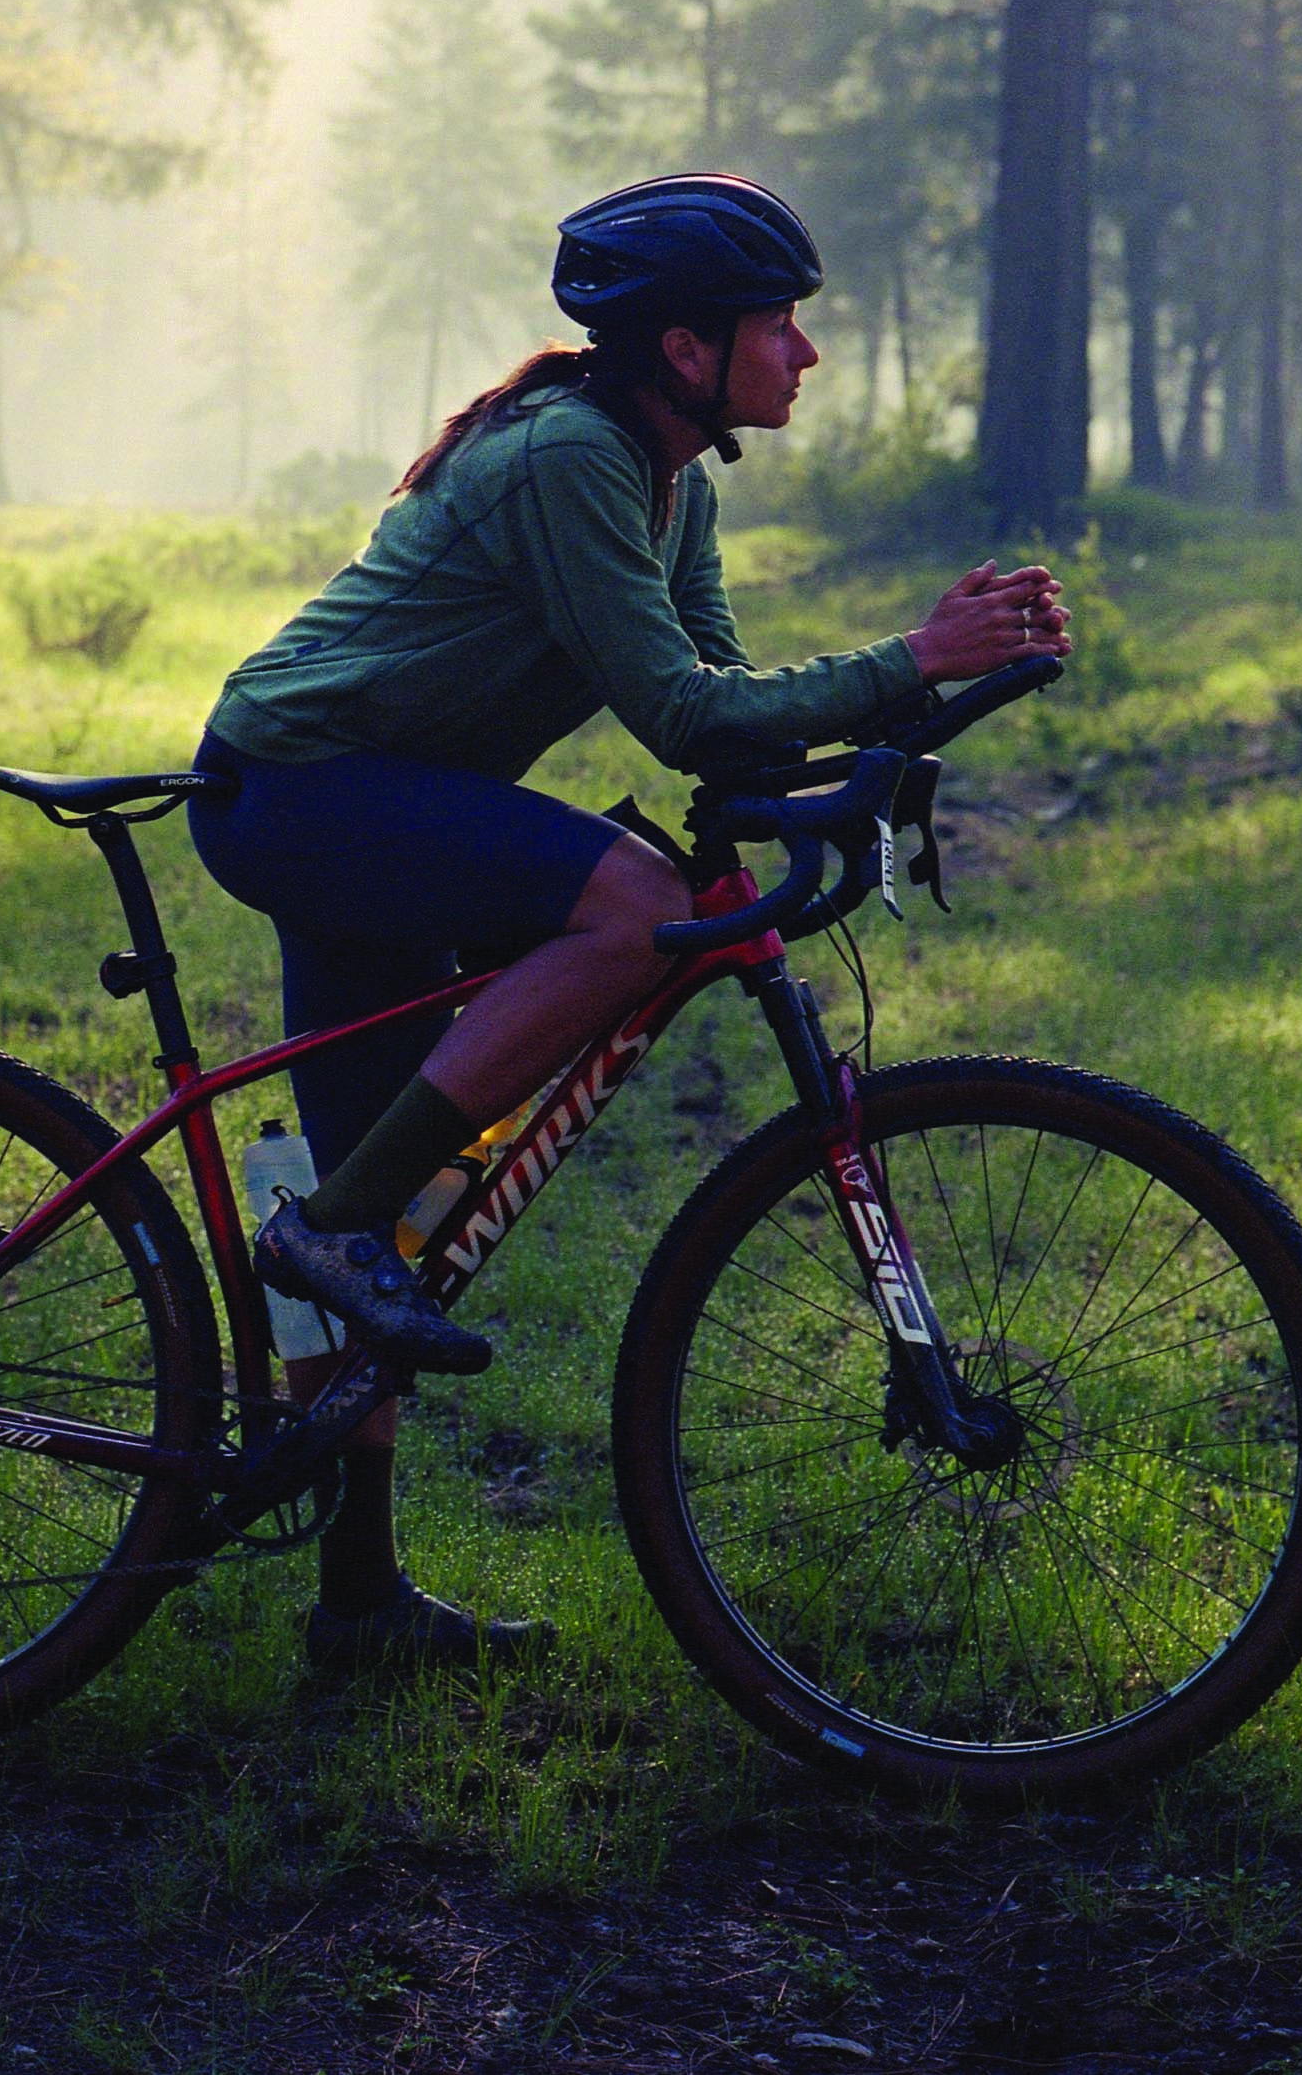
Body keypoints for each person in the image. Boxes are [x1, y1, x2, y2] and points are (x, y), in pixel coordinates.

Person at [186, 172, 1071, 1677]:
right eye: (779, 323)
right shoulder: (572, 459)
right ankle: (330, 1233)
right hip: (301, 786)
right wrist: (907, 655)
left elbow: (727, 720)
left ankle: (356, 1597)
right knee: (628, 905)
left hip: (372, 797)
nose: (804, 353)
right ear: (683, 348)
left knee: (384, 1181)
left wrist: (915, 699)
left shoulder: (676, 483)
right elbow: (675, 715)